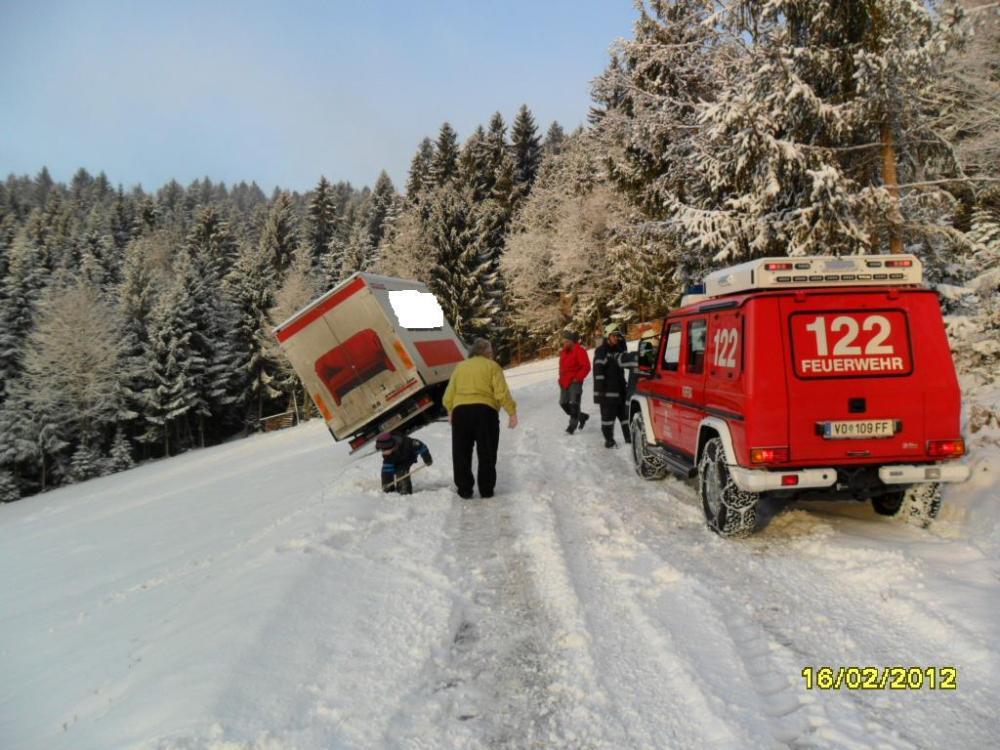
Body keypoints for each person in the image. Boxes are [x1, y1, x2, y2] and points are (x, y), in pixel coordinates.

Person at [442, 338, 518, 499]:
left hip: (461, 413)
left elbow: (449, 394)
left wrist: (450, 410)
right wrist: (511, 412)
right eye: (490, 352)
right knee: (487, 452)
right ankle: (486, 489)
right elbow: (501, 392)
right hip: (485, 412)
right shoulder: (492, 366)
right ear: (487, 352)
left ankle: (464, 490)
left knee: (461, 453)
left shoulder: (460, 367)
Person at [593, 324, 633, 448]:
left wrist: (623, 344)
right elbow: (598, 373)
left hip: (620, 391)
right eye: (614, 335)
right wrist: (601, 394)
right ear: (607, 336)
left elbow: (626, 361)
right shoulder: (601, 351)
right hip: (607, 394)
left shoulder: (619, 349)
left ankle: (629, 440)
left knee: (625, 417)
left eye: (618, 336)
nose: (616, 338)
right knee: (608, 420)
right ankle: (609, 441)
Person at [558, 330, 591, 435]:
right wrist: (560, 379)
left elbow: (586, 366)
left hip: (575, 382)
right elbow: (562, 368)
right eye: (564, 341)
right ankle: (582, 416)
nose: (564, 343)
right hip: (564, 382)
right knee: (563, 403)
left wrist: (578, 378)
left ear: (572, 341)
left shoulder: (580, 351)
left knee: (574, 404)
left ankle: (571, 427)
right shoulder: (563, 352)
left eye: (566, 341)